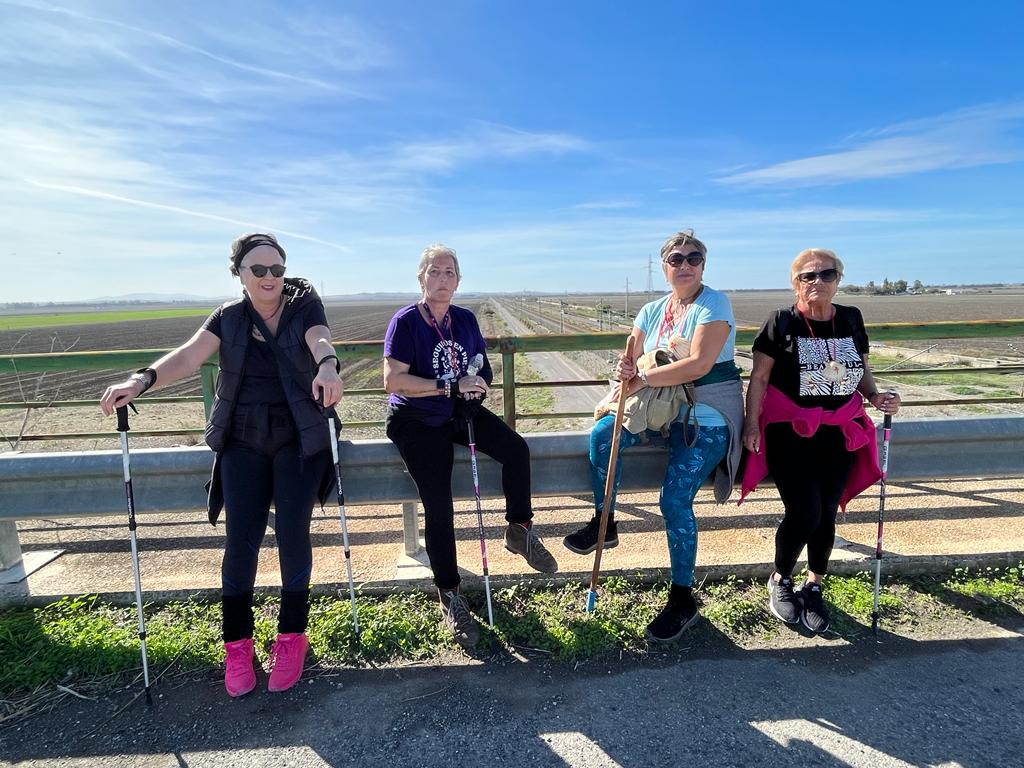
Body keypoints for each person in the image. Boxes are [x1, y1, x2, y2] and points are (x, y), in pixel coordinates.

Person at [100, 233, 343, 696]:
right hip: (243, 439)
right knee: (241, 541)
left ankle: (292, 637)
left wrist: (328, 366)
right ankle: (237, 644)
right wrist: (142, 379)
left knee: (293, 535)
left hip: (298, 437)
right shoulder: (228, 318)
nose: (270, 277)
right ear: (240, 274)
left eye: (277, 269)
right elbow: (191, 355)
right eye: (259, 269)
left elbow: (320, 338)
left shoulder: (304, 307)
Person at [562, 230, 744, 642]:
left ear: (703, 265)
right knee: (603, 435)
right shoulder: (650, 310)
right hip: (659, 411)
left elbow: (698, 365)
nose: (685, 265)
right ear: (665, 267)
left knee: (673, 500)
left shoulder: (714, 304)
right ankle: (604, 521)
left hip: (705, 413)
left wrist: (641, 378)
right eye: (676, 259)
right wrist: (622, 377)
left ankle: (682, 598)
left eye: (693, 258)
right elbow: (630, 358)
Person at [383, 243, 558, 648]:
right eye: (434, 271)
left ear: (458, 280)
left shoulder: (464, 319)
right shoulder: (405, 321)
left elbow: (482, 367)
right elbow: (393, 381)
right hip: (416, 420)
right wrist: (449, 387)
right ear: (421, 277)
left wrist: (478, 388)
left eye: (450, 272)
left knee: (516, 450)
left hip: (459, 411)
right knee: (440, 505)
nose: (442, 279)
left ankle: (519, 531)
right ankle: (450, 594)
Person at [740, 247, 901, 634]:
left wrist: (875, 396)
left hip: (839, 429)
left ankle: (814, 584)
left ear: (838, 280)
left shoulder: (850, 317)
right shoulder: (781, 322)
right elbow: (759, 377)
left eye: (826, 274)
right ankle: (780, 578)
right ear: (795, 283)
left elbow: (860, 368)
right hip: (790, 429)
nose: (817, 282)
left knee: (827, 511)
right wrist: (751, 424)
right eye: (808, 276)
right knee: (805, 512)